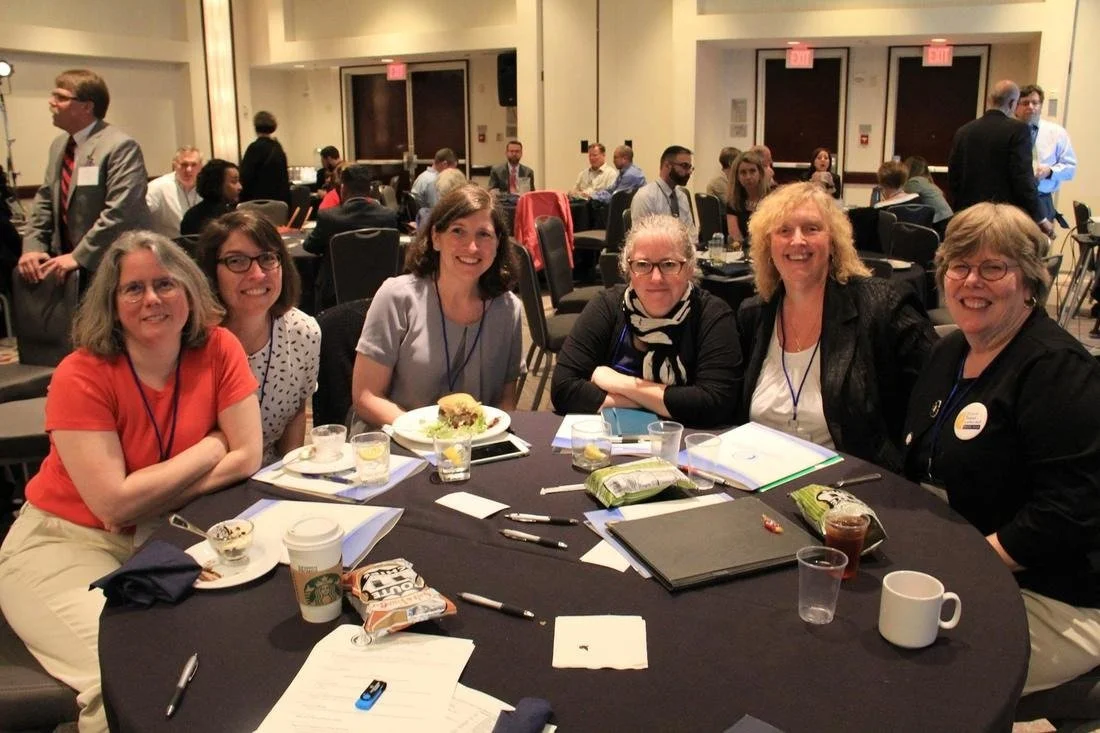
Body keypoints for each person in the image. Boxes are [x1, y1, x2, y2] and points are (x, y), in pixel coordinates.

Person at [0, 231, 261, 732]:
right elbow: (112, 506)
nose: (153, 299)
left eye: (165, 283)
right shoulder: (82, 373)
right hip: (62, 544)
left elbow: (247, 455)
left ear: (189, 288)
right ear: (112, 303)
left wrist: (147, 491)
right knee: (124, 676)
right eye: (133, 289)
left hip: (166, 537)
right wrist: (210, 447)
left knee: (225, 649)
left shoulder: (218, 347)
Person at [901, 202, 1100, 696]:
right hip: (970, 564)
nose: (972, 281)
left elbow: (1069, 510)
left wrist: (965, 561)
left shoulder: (1057, 368)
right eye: (960, 266)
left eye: (994, 268)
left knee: (915, 677)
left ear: (1030, 280)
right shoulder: (951, 349)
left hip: (1056, 590)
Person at [736, 182, 936, 472]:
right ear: (768, 245)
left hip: (851, 488)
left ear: (834, 241)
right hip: (758, 480)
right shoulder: (754, 315)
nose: (797, 241)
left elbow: (930, 403)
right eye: (784, 231)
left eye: (812, 229)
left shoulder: (882, 307)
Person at [351, 184, 524, 428]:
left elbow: (505, 401)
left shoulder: (509, 310)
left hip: (473, 448)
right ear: (436, 238)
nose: (472, 247)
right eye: (458, 231)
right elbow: (366, 397)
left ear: (498, 245)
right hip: (398, 444)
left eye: (483, 234)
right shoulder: (397, 297)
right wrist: (427, 436)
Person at [551, 214, 742, 426]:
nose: (656, 278)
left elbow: (715, 405)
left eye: (669, 264)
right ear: (628, 269)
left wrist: (623, 384)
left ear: (689, 268)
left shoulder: (713, 315)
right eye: (643, 265)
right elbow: (564, 389)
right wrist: (658, 402)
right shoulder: (607, 306)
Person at [198, 210, 320, 465]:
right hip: (201, 485)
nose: (257, 274)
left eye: (267, 258)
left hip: (269, 483)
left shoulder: (303, 332)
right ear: (211, 271)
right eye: (237, 261)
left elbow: (296, 413)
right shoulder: (191, 339)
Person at [19, 69, 150, 283]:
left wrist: (80, 255)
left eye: (60, 97)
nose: (51, 102)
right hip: (67, 267)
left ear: (87, 107)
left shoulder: (120, 146)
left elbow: (122, 211)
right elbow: (44, 200)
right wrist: (33, 247)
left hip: (111, 266)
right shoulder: (59, 145)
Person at [947, 80, 1053, 236]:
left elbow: (953, 177)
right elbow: (1022, 179)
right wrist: (1040, 218)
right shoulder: (1018, 131)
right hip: (1003, 221)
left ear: (990, 100)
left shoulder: (963, 132)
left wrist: (960, 211)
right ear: (1012, 103)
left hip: (969, 217)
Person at [302, 163, 400, 312]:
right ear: (369, 190)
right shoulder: (388, 216)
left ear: (343, 188)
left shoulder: (329, 217)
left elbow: (310, 246)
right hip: (379, 290)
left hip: (334, 294)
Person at [1014, 84, 1077, 225]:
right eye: (1025, 103)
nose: (1030, 107)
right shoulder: (1007, 132)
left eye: (1035, 103)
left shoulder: (1056, 133)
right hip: (1013, 201)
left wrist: (1050, 171)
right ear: (1016, 107)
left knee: (1041, 244)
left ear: (1041, 106)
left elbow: (1070, 168)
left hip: (1042, 198)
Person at [630, 145, 696, 236]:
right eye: (684, 166)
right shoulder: (645, 196)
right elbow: (642, 238)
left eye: (690, 167)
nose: (689, 172)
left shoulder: (682, 196)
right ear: (667, 165)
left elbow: (692, 234)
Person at [146, 146, 203, 239]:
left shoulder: (208, 187)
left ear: (200, 166)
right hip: (168, 248)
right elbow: (140, 217)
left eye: (193, 165)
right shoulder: (157, 187)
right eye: (184, 164)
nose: (189, 169)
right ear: (175, 165)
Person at [239, 110, 290, 205]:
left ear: (255, 127)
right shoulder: (278, 148)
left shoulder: (254, 148)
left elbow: (245, 176)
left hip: (257, 201)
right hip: (279, 202)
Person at [179, 159, 241, 236]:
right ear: (217, 184)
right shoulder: (229, 219)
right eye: (234, 182)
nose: (240, 187)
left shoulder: (190, 215)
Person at [726, 150, 770, 246]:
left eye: (752, 171)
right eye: (743, 172)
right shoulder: (733, 201)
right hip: (742, 252)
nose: (748, 177)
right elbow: (735, 235)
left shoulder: (772, 198)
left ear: (760, 173)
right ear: (737, 176)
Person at [902, 156, 953, 223]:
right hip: (948, 217)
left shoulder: (914, 182)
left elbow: (903, 199)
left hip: (938, 220)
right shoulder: (926, 181)